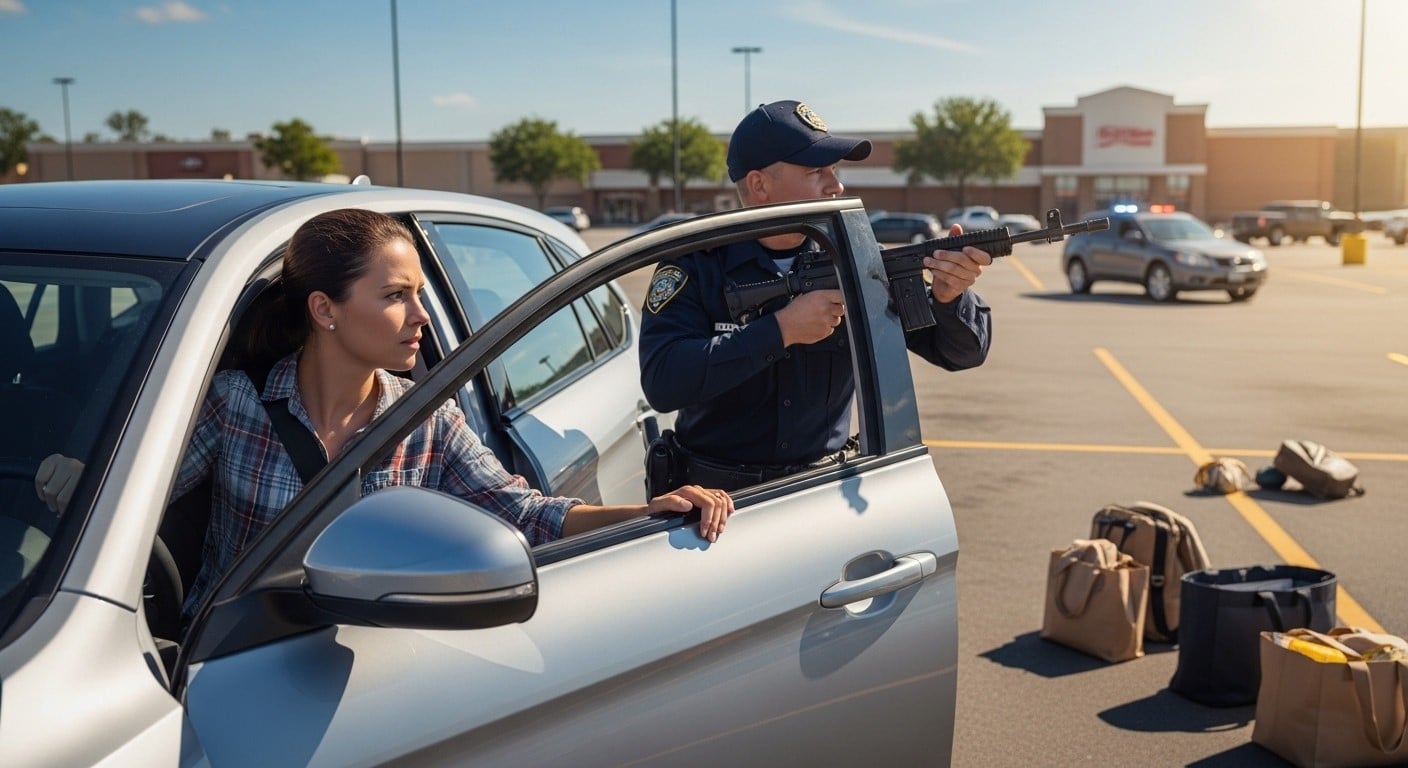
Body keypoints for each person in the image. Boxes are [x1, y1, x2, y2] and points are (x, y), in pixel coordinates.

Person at [36, 208, 732, 614]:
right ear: (325, 310)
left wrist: (649, 512)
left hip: (376, 667)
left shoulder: (427, 422)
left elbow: (528, 515)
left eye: (420, 293)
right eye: (396, 296)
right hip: (221, 661)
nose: (421, 316)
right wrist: (76, 479)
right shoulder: (236, 405)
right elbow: (129, 507)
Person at [638, 100, 993, 492]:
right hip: (713, 503)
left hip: (820, 494)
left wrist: (949, 297)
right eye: (816, 171)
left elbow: (961, 354)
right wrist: (781, 330)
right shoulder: (696, 265)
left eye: (834, 170)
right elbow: (663, 381)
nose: (835, 185)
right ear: (759, 185)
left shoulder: (858, 259)